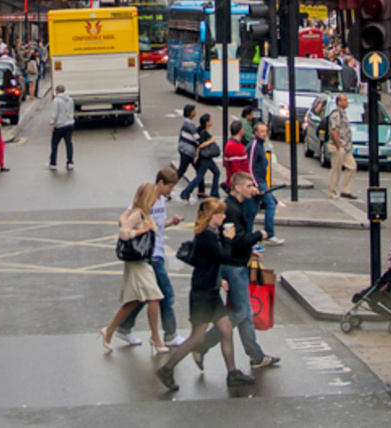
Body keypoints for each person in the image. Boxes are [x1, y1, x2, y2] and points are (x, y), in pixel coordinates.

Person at [155, 197, 254, 391]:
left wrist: (220, 278)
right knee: (197, 337)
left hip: (211, 291)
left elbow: (209, 261)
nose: (224, 216)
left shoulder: (210, 232)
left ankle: (232, 373)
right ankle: (167, 369)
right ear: (212, 215)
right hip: (203, 294)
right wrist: (229, 239)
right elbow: (223, 257)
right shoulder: (207, 235)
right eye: (221, 213)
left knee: (226, 330)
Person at [192, 172, 280, 371]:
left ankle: (256, 356)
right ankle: (202, 345)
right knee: (240, 312)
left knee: (246, 313)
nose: (253, 188)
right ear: (238, 188)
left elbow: (237, 239)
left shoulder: (236, 205)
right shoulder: (231, 209)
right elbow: (236, 239)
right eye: (249, 186)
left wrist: (249, 252)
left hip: (237, 263)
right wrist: (259, 235)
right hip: (233, 267)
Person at [117, 167, 186, 348]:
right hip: (150, 254)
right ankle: (170, 334)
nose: (171, 190)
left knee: (149, 295)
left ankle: (124, 327)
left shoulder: (161, 200)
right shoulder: (146, 199)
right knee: (166, 294)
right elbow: (124, 219)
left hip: (158, 251)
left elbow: (158, 225)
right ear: (160, 183)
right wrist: (138, 231)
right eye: (170, 187)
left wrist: (171, 222)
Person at [99, 182, 166, 353]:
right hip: (136, 263)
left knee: (135, 301)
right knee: (154, 297)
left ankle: (109, 330)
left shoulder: (146, 214)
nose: (155, 200)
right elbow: (123, 232)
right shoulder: (138, 214)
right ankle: (155, 337)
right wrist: (141, 231)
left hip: (142, 261)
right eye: (153, 197)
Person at [246, 121, 284, 245]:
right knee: (270, 204)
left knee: (253, 210)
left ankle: (247, 235)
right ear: (255, 132)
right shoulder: (254, 145)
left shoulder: (260, 145)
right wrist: (255, 185)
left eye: (266, 131)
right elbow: (250, 166)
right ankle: (269, 233)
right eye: (262, 131)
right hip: (258, 182)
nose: (264, 134)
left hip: (260, 181)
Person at [181, 114, 220, 202]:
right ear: (207, 123)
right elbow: (200, 145)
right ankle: (185, 193)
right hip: (205, 158)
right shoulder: (203, 133)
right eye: (210, 120)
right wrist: (211, 141)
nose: (212, 121)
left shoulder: (202, 131)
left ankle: (214, 193)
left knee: (216, 172)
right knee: (200, 176)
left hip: (207, 157)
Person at [326, 93, 357, 200]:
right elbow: (333, 131)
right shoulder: (335, 114)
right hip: (338, 146)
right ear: (339, 102)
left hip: (346, 147)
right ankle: (332, 192)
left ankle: (346, 190)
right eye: (345, 100)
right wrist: (339, 146)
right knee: (336, 170)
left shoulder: (343, 113)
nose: (347, 102)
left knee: (352, 166)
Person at [175, 104, 204, 197]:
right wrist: (205, 142)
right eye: (194, 110)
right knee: (182, 171)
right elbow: (196, 137)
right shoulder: (189, 123)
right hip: (187, 150)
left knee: (198, 170)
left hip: (187, 150)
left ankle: (201, 190)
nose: (195, 112)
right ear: (191, 112)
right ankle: (168, 186)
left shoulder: (188, 122)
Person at [49, 84, 75, 170]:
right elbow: (71, 111)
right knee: (68, 143)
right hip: (69, 124)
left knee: (54, 144)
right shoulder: (70, 100)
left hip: (59, 125)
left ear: (57, 91)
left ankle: (53, 163)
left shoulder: (56, 101)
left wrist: (52, 124)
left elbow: (54, 113)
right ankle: (70, 162)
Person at [223, 120, 249, 185]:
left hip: (242, 182)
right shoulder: (232, 146)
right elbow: (236, 168)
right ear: (240, 131)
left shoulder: (237, 144)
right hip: (238, 184)